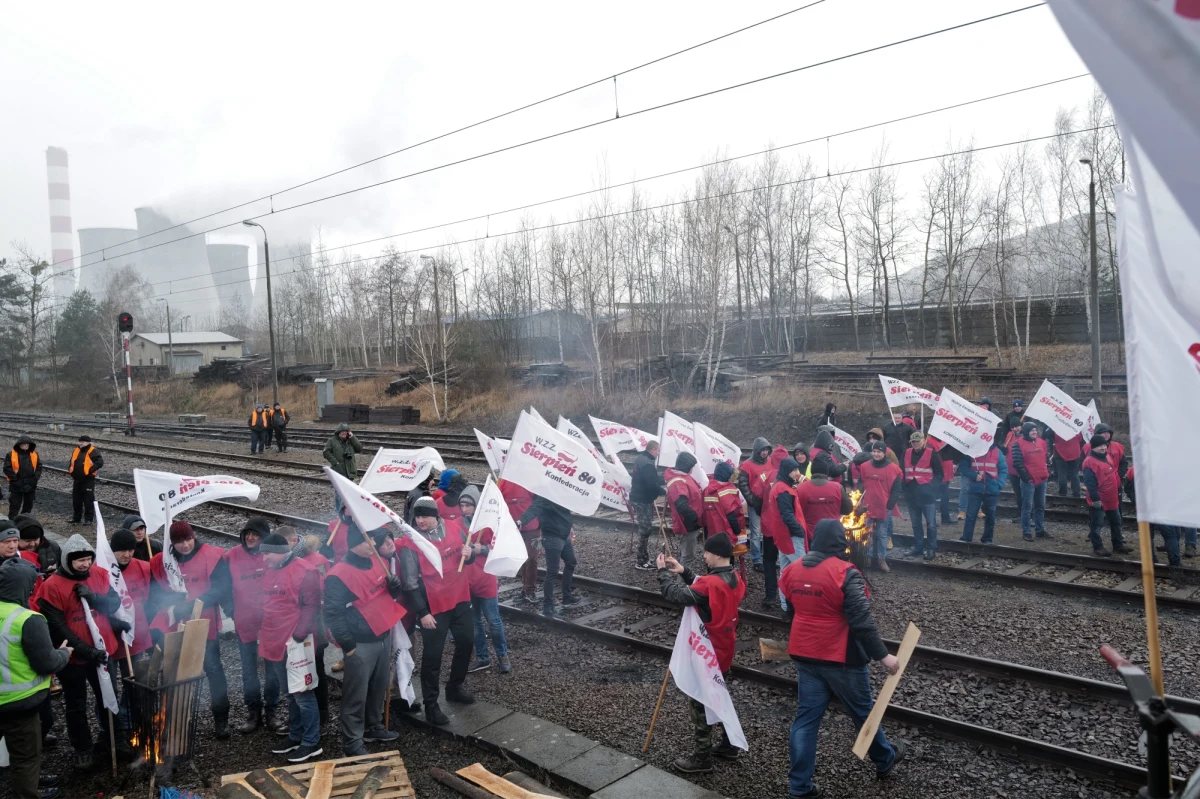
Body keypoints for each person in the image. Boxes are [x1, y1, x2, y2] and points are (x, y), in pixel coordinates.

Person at [780, 519, 905, 798]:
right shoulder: (845, 573)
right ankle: (884, 759)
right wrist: (883, 656)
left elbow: (791, 607)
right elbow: (861, 621)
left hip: (804, 652)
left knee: (806, 719)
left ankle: (799, 787)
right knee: (862, 711)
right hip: (840, 656)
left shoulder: (790, 570)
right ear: (840, 541)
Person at [655, 533, 746, 774]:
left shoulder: (710, 584)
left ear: (717, 555)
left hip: (706, 652)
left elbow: (676, 595)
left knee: (701, 702)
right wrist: (684, 571)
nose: (703, 556)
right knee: (719, 694)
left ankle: (702, 757)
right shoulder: (735, 578)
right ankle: (729, 745)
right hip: (725, 648)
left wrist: (663, 572)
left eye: (706, 552)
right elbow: (705, 589)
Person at [36, 534, 123, 770]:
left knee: (109, 696)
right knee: (76, 703)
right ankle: (82, 747)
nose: (85, 564)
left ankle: (113, 738)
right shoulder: (51, 587)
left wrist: (94, 598)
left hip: (103, 651)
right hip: (73, 657)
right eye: (80, 561)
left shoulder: (99, 574)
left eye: (88, 559)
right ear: (67, 561)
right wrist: (86, 651)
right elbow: (57, 627)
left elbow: (114, 604)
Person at [324, 525, 407, 756]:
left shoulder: (377, 561)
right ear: (353, 545)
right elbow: (333, 613)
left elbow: (384, 594)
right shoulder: (338, 576)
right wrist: (348, 646)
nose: (373, 544)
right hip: (360, 642)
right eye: (367, 541)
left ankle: (373, 725)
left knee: (379, 687)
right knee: (355, 695)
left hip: (382, 635)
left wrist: (394, 589)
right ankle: (353, 741)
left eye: (372, 540)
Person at [149, 521, 232, 739]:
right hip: (175, 624)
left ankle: (221, 718)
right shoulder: (163, 562)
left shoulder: (211, 556)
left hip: (205, 624)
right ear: (172, 544)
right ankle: (177, 720)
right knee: (176, 671)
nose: (185, 545)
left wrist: (198, 601)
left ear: (193, 537)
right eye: (179, 542)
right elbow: (154, 591)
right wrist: (171, 599)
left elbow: (222, 587)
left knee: (213, 669)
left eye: (188, 540)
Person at [399, 497, 475, 725]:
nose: (420, 521)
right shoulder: (411, 543)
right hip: (433, 606)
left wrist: (469, 556)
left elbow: (465, 556)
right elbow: (410, 583)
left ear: (436, 516)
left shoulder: (454, 528)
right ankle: (432, 705)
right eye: (417, 517)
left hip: (460, 598)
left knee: (466, 641)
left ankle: (454, 687)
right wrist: (422, 612)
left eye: (424, 516)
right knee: (433, 656)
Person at [0, 556, 71, 799]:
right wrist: (64, 653)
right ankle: (27, 793)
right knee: (25, 756)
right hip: (18, 703)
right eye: (33, 583)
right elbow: (46, 663)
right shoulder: (27, 619)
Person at [257, 533, 323, 763]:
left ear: (281, 551)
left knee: (303, 694)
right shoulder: (269, 572)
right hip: (274, 642)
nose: (263, 557)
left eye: (267, 553)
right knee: (290, 694)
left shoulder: (305, 571)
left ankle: (311, 742)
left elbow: (313, 605)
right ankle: (296, 736)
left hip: (295, 643)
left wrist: (298, 635)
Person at [223, 516, 279, 735]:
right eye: (247, 534)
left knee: (273, 669)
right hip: (244, 621)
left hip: (270, 622)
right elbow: (223, 585)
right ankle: (253, 713)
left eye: (255, 534)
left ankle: (272, 711)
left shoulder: (272, 555)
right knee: (249, 670)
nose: (250, 538)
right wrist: (231, 611)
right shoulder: (232, 556)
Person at [459, 487, 511, 675]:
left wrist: (483, 549)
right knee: (475, 622)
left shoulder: (488, 525)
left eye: (469, 505)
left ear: (477, 506)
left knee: (493, 621)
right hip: (467, 580)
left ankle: (502, 654)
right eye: (462, 505)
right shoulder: (457, 525)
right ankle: (482, 657)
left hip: (486, 578)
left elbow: (500, 546)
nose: (465, 509)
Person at [107, 527, 153, 736]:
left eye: (131, 550)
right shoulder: (103, 569)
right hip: (110, 639)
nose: (127, 555)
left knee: (134, 683)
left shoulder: (143, 567)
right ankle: (110, 729)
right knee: (109, 688)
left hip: (137, 636)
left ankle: (133, 722)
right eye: (122, 551)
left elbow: (152, 597)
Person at [517, 494, 578, 619]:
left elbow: (565, 512)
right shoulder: (546, 494)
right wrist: (521, 521)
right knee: (552, 572)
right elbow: (534, 509)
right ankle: (547, 607)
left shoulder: (561, 489)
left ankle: (567, 597)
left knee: (571, 562)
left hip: (564, 535)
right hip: (552, 537)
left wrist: (569, 526)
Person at [761, 458, 808, 611]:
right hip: (791, 537)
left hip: (783, 537)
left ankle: (785, 607)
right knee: (802, 571)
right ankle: (801, 607)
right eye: (794, 470)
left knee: (785, 572)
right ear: (787, 471)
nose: (797, 473)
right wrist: (800, 531)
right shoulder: (783, 490)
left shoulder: (780, 486)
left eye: (797, 470)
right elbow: (787, 515)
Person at [857, 442, 903, 573]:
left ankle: (881, 560)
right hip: (867, 505)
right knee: (866, 533)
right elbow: (861, 483)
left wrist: (890, 504)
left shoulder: (893, 468)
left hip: (884, 506)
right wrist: (858, 499)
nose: (876, 454)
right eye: (874, 451)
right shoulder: (865, 466)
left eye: (879, 452)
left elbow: (897, 489)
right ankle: (867, 558)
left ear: (884, 453)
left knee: (882, 534)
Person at [1082, 435, 1131, 557]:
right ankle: (1097, 547)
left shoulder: (1107, 456)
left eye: (1104, 445)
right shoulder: (1089, 462)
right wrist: (1095, 499)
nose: (1103, 448)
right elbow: (1090, 484)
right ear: (1093, 447)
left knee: (1116, 522)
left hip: (1112, 498)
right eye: (1100, 446)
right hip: (1100, 499)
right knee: (1097, 524)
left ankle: (1118, 545)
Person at [957, 439, 1008, 545]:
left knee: (990, 516)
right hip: (975, 489)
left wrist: (999, 484)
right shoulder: (971, 451)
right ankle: (967, 538)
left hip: (991, 489)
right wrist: (974, 475)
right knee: (971, 515)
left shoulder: (997, 452)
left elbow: (1003, 469)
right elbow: (963, 467)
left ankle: (987, 539)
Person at [902, 432, 943, 560]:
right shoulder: (906, 453)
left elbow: (939, 474)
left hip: (926, 495)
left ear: (924, 441)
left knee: (931, 523)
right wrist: (904, 487)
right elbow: (901, 471)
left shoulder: (932, 454)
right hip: (911, 494)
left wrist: (930, 487)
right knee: (916, 524)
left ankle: (931, 548)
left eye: (918, 442)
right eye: (913, 442)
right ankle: (918, 547)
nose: (915, 444)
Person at [499, 478, 541, 603]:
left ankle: (530, 590)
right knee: (522, 558)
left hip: (532, 526)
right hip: (513, 528)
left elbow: (539, 504)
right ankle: (525, 589)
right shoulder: (503, 482)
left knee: (531, 559)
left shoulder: (531, 480)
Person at [737, 437, 774, 573]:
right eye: (762, 450)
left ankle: (768, 557)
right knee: (756, 532)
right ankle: (757, 560)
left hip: (770, 504)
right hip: (756, 504)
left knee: (770, 531)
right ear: (757, 451)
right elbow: (743, 484)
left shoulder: (771, 461)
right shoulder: (747, 465)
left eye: (766, 450)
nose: (765, 453)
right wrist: (752, 501)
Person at [1011, 422, 1050, 542]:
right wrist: (1026, 478)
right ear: (1026, 431)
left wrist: (1046, 470)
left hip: (1042, 478)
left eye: (1035, 430)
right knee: (1027, 507)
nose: (1034, 432)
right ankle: (1026, 531)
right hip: (1029, 481)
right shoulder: (1018, 444)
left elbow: (1045, 457)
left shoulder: (1041, 442)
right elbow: (1017, 463)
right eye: (1032, 430)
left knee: (1040, 506)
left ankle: (1039, 530)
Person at [631, 439, 667, 570]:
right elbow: (651, 484)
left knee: (645, 529)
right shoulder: (648, 464)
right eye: (658, 450)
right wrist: (664, 491)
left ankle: (644, 557)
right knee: (645, 530)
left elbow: (652, 478)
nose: (658, 453)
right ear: (652, 450)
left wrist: (664, 480)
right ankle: (641, 561)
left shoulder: (641, 458)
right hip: (642, 499)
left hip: (639, 497)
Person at [664, 453, 704, 566]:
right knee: (687, 557)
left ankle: (685, 580)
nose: (692, 469)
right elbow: (681, 505)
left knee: (686, 555)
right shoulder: (678, 481)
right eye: (692, 466)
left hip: (690, 524)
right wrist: (695, 518)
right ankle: (682, 583)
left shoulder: (683, 478)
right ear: (687, 466)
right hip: (688, 525)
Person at [795, 460, 853, 532]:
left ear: (812, 471)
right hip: (833, 532)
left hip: (809, 533)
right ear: (827, 472)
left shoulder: (800, 488)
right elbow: (847, 509)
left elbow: (796, 511)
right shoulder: (838, 487)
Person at [701, 462, 745, 544]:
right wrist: (738, 531)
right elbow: (731, 516)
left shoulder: (706, 490)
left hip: (711, 532)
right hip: (725, 534)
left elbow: (704, 512)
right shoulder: (725, 492)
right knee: (726, 556)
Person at [324, 424, 363, 511]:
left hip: (349, 471)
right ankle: (339, 512)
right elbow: (326, 452)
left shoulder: (350, 441)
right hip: (338, 471)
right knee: (339, 493)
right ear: (338, 432)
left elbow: (359, 448)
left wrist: (353, 437)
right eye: (342, 431)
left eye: (346, 431)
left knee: (348, 493)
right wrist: (335, 462)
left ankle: (346, 513)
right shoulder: (332, 440)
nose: (344, 433)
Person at [67, 436, 102, 525]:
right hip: (77, 479)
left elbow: (100, 462)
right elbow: (72, 461)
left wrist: (90, 470)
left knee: (88, 500)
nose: (81, 443)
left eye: (83, 442)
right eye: (80, 441)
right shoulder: (76, 450)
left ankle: (88, 519)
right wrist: (71, 471)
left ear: (88, 442)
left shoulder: (92, 451)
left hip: (88, 480)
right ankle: (76, 518)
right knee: (76, 500)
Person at [5, 436, 41, 518]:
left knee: (28, 504)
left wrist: (35, 479)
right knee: (15, 505)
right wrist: (15, 480)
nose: (26, 445)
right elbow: (7, 469)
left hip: (30, 483)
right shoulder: (10, 454)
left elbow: (39, 467)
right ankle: (12, 522)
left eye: (27, 444)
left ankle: (24, 520)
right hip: (16, 483)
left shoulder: (34, 454)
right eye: (24, 444)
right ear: (19, 445)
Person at [1049, 428, 1083, 498]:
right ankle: (1076, 493)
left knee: (1062, 473)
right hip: (1074, 452)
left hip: (1060, 453)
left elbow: (1052, 438)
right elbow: (1080, 439)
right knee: (1074, 473)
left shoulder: (1057, 427)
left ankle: (1062, 492)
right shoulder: (1075, 427)